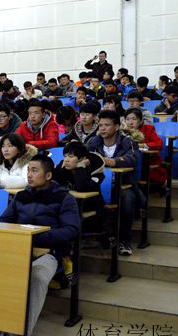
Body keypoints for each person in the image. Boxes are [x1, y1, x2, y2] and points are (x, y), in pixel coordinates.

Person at [0, 154, 80, 336]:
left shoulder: (65, 198)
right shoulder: (21, 196)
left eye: (34, 171)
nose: (29, 175)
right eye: (28, 170)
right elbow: (4, 220)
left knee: (37, 278)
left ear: (49, 175)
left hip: (50, 253)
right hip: (20, 248)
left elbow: (71, 230)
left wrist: (38, 236)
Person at [87, 110, 141, 256]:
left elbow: (132, 159)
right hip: (98, 185)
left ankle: (124, 240)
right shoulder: (93, 142)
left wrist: (112, 161)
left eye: (107, 125)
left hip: (122, 185)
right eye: (100, 125)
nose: (102, 128)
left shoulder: (127, 141)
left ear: (117, 127)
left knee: (127, 199)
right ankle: (102, 235)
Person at [53, 141, 105, 225]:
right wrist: (61, 170)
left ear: (82, 158)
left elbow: (82, 188)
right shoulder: (64, 165)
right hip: (69, 203)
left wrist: (80, 167)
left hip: (89, 206)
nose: (66, 160)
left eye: (71, 156)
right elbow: (52, 182)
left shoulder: (96, 173)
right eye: (65, 156)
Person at [122, 108, 167, 186]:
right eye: (128, 119)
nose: (130, 122)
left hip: (147, 162)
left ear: (140, 121)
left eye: (134, 119)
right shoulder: (122, 132)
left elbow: (158, 143)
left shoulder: (148, 129)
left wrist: (142, 145)